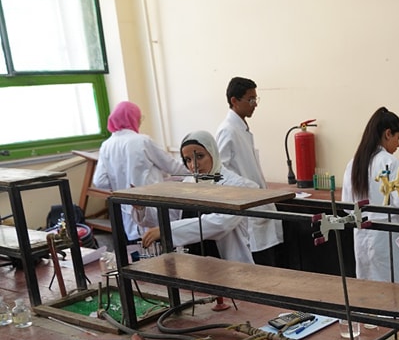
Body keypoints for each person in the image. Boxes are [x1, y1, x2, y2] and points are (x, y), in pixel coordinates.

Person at [342, 107, 399, 283]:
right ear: (388, 134)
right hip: (387, 236)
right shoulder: (390, 161)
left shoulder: (354, 162)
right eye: (398, 138)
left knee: (369, 288)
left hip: (362, 235)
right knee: (394, 289)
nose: (398, 144)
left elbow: (347, 206)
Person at [141, 131, 257, 263]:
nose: (194, 165)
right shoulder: (188, 184)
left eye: (200, 156)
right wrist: (142, 209)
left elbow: (220, 223)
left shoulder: (235, 185)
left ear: (213, 153)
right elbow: (172, 215)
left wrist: (168, 230)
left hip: (226, 264)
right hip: (194, 262)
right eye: (188, 160)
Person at [215, 76, 284, 266]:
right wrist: (249, 186)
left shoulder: (241, 129)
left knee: (270, 265)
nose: (255, 104)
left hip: (257, 205)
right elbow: (220, 172)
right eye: (251, 99)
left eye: (256, 99)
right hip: (248, 209)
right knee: (259, 266)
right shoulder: (228, 130)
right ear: (234, 101)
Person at [92, 100, 183, 242]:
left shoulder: (106, 145)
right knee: (162, 244)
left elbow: (100, 181)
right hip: (152, 208)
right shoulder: (142, 141)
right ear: (132, 118)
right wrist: (199, 170)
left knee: (139, 248)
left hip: (126, 212)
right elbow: (172, 167)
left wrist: (119, 182)